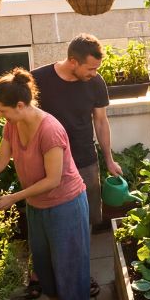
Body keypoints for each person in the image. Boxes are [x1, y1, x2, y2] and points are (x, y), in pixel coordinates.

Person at [0, 69, 89, 300]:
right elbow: (1, 158)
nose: (0, 115)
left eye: (2, 110)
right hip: (38, 205)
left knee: (67, 262)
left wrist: (15, 197)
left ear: (21, 105)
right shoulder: (12, 125)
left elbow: (53, 179)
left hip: (66, 205)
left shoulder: (50, 130)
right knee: (43, 260)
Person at [31, 34, 123, 233]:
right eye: (90, 68)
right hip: (47, 162)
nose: (95, 73)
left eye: (97, 68)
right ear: (73, 61)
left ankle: (83, 260)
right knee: (54, 217)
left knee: (86, 218)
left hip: (85, 160)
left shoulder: (96, 82)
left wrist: (109, 160)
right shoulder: (37, 79)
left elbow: (100, 121)